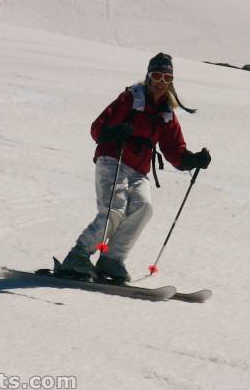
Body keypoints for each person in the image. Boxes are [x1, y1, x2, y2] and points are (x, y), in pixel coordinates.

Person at [58, 53, 211, 283]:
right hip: (112, 160)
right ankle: (78, 256)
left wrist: (194, 160)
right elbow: (97, 129)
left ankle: (111, 260)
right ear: (148, 77)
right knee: (114, 210)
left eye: (166, 77)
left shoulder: (166, 113)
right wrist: (115, 131)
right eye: (157, 75)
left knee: (144, 208)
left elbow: (175, 151)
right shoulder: (129, 99)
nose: (161, 81)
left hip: (139, 170)